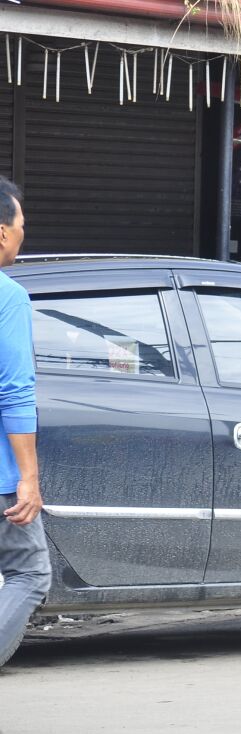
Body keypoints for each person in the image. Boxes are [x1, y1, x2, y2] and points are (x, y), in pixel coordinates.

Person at [0, 176, 48, 670]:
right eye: (21, 225)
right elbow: (14, 390)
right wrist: (27, 479)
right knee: (30, 573)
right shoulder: (7, 297)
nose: (23, 235)